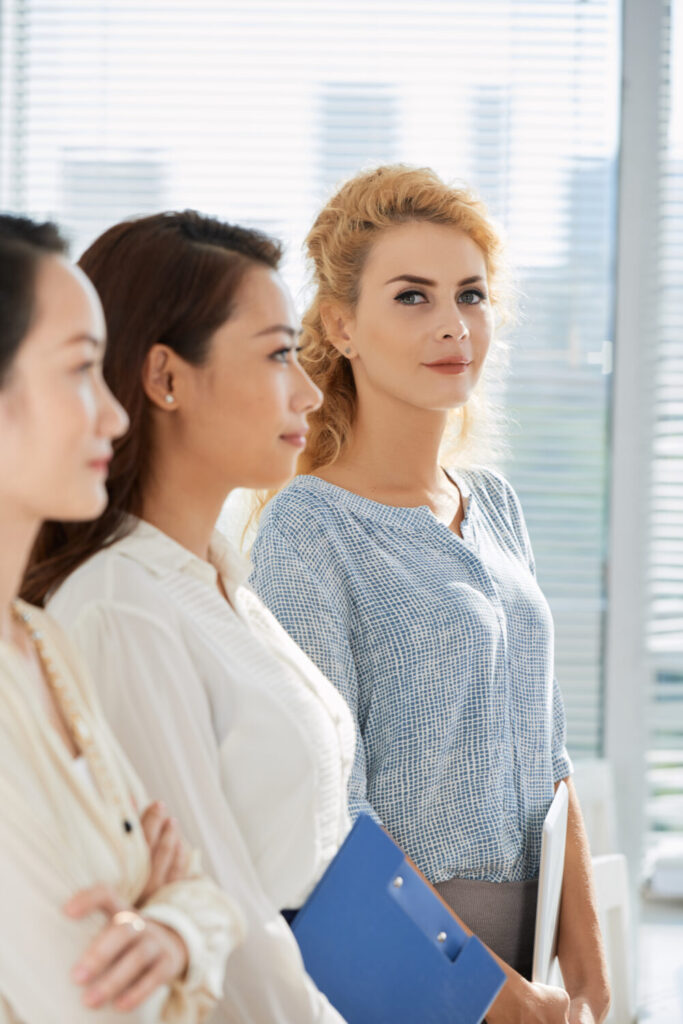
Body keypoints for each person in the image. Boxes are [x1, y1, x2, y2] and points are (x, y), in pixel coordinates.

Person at [248, 165, 612, 1024]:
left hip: (526, 972)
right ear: (340, 326)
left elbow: (547, 760)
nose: (454, 327)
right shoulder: (309, 529)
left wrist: (592, 977)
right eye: (412, 297)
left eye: (471, 296)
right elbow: (330, 810)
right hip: (397, 972)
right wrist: (487, 991)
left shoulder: (496, 507)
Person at [23, 211, 354, 1024]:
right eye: (279, 354)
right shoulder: (121, 611)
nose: (308, 392)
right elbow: (224, 915)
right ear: (166, 378)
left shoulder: (218, 581)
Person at [0, 214, 237, 1022]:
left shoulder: (42, 641)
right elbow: (98, 1005)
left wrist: (171, 923)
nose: (116, 415)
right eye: (78, 372)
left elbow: (206, 897)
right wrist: (169, 906)